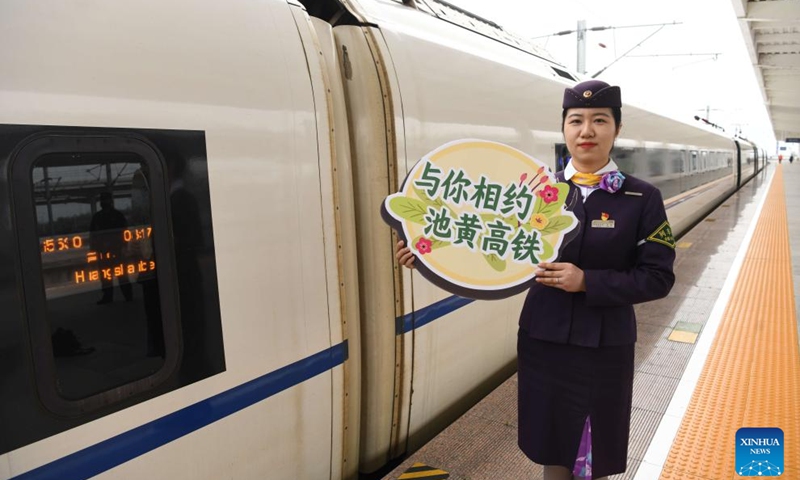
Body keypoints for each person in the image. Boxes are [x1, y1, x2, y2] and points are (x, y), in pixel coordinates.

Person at [396, 80, 676, 480]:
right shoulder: (535, 193)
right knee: (552, 443)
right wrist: (426, 253)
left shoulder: (641, 197)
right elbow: (482, 238)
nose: (587, 131)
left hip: (603, 345)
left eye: (600, 120)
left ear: (617, 128)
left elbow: (658, 277)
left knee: (591, 450)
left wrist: (587, 282)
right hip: (543, 338)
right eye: (576, 120)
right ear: (564, 129)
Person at [90, 191, 133, 304]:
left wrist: (94, 250)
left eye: (105, 200)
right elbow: (125, 233)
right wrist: (124, 246)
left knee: (110, 275)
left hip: (109, 252)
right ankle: (126, 296)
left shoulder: (98, 217)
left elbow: (93, 236)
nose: (105, 202)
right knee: (117, 275)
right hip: (114, 251)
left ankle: (112, 296)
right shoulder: (117, 216)